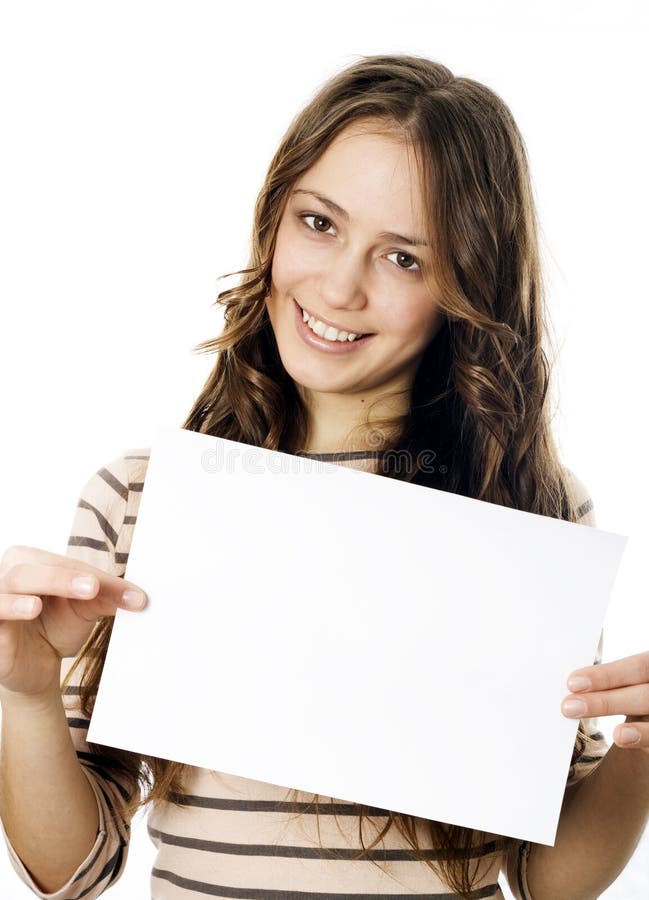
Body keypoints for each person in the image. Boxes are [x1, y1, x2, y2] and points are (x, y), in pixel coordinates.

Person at [0, 52, 647, 900]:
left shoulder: (528, 511)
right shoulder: (138, 500)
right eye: (319, 223)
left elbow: (544, 879)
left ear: (466, 285)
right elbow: (71, 868)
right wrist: (23, 693)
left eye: (404, 259)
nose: (340, 286)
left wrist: (642, 753)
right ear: (273, 215)